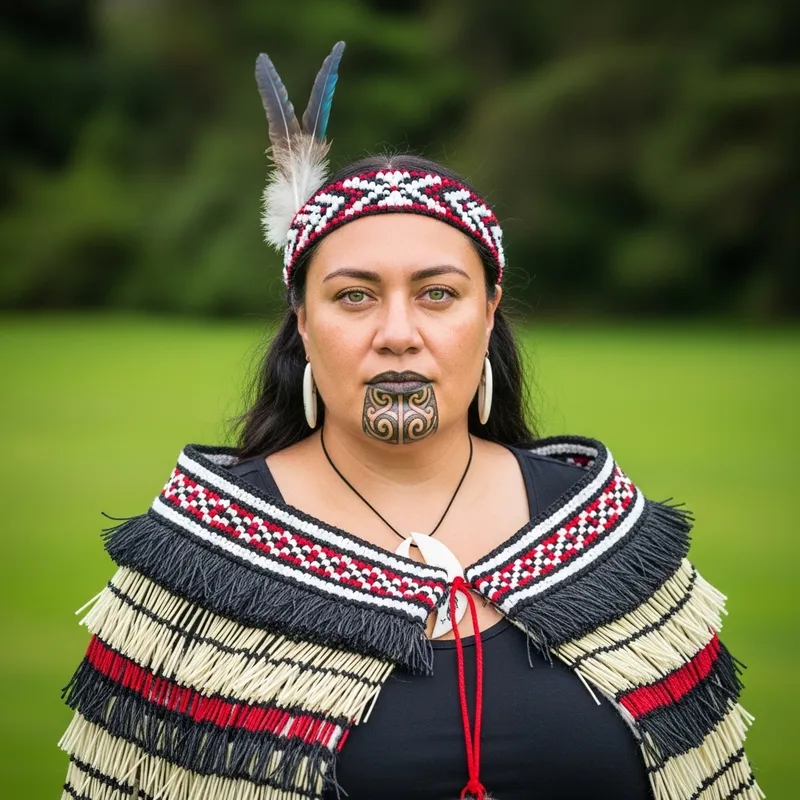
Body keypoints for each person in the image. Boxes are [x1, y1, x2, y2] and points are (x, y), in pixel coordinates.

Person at [58, 43, 762, 800]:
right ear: (301, 321)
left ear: (489, 314)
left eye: (437, 293)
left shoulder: (614, 547)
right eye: (354, 295)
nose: (397, 331)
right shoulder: (192, 567)